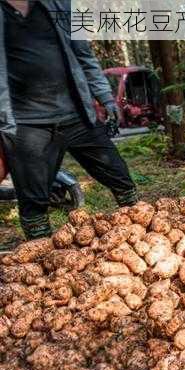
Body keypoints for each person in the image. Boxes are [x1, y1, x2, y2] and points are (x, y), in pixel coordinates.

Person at [0, 0, 138, 239]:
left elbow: (85, 57)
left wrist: (105, 97)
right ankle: (39, 259)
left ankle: (142, 230)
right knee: (33, 199)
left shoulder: (62, 5)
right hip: (26, 125)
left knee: (119, 175)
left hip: (77, 115)